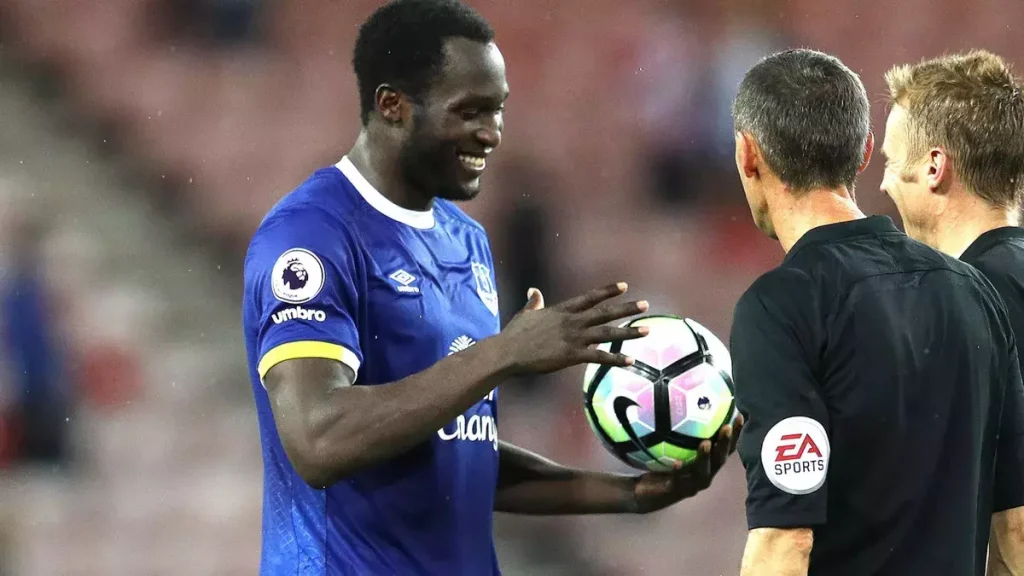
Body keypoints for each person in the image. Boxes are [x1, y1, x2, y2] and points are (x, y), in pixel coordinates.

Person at [240, 1, 740, 574]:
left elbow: (459, 454)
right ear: (392, 106)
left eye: (499, 110)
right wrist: (504, 354)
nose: (492, 133)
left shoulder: (466, 241)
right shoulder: (313, 235)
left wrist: (627, 495)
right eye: (471, 111)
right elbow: (318, 439)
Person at [728, 48, 1021, 576]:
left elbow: (785, 539)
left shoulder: (780, 307)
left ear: (748, 155)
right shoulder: (975, 292)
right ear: (864, 153)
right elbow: (1015, 527)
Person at [880, 49, 1024, 576]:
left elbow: (1016, 516)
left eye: (894, 164)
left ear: (935, 167)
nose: (884, 183)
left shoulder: (977, 296)